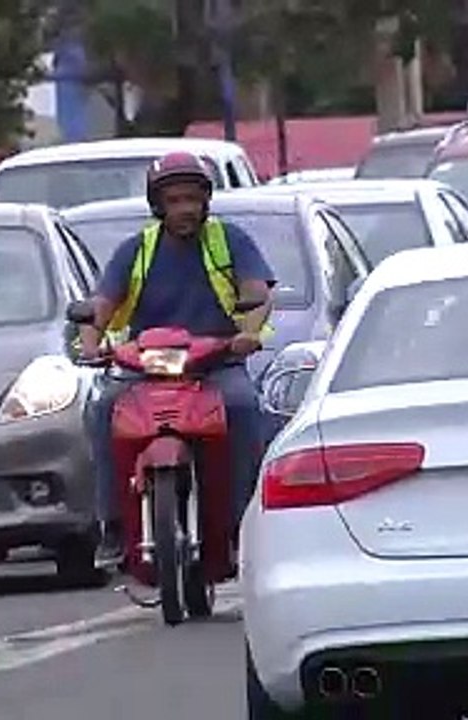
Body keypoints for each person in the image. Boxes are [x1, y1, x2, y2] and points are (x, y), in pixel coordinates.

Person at [77, 151, 275, 568]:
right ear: (157, 205)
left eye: (192, 199)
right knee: (102, 408)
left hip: (215, 364)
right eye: (174, 201)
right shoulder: (137, 249)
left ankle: (243, 526)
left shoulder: (231, 239)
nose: (185, 209)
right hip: (146, 369)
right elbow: (102, 304)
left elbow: (257, 289)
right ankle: (112, 523)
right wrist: (91, 342)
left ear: (206, 201)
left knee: (242, 406)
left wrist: (249, 334)